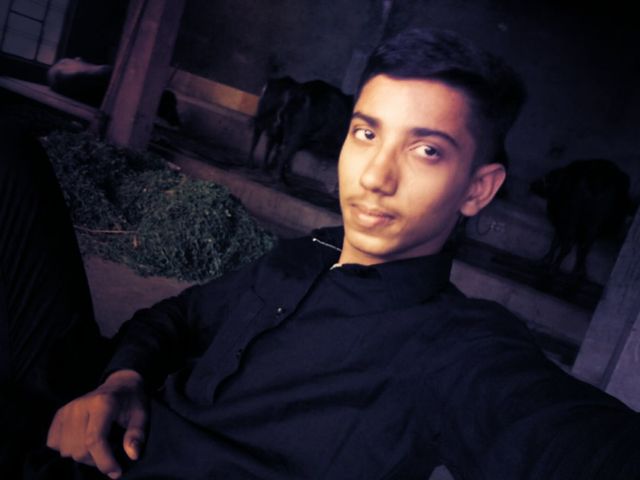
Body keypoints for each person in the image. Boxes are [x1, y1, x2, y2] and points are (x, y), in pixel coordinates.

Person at [3, 28, 640, 479]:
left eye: (426, 151)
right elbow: (175, 317)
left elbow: (565, 436)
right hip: (91, 404)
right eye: (366, 134)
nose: (376, 177)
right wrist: (121, 379)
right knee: (12, 154)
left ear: (478, 189)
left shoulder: (456, 345)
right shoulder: (308, 251)